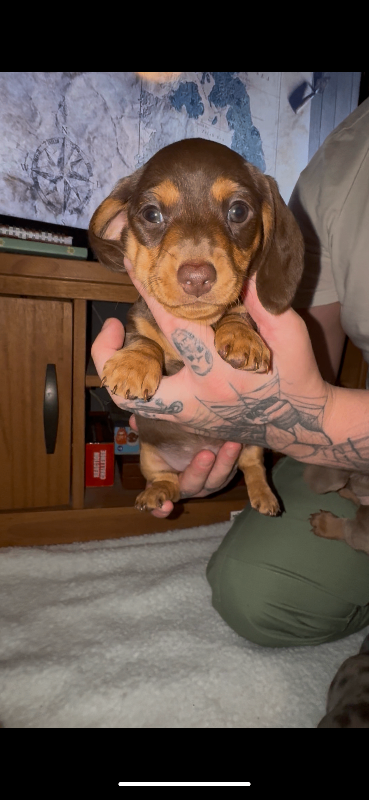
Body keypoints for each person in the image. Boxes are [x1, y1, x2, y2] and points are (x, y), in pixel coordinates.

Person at [92, 98, 369, 647]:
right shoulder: (346, 154)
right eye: (152, 214)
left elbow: (304, 405)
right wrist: (227, 418)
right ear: (116, 223)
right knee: (256, 594)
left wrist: (321, 420)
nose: (197, 266)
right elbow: (311, 346)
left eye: (235, 211)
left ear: (265, 225)